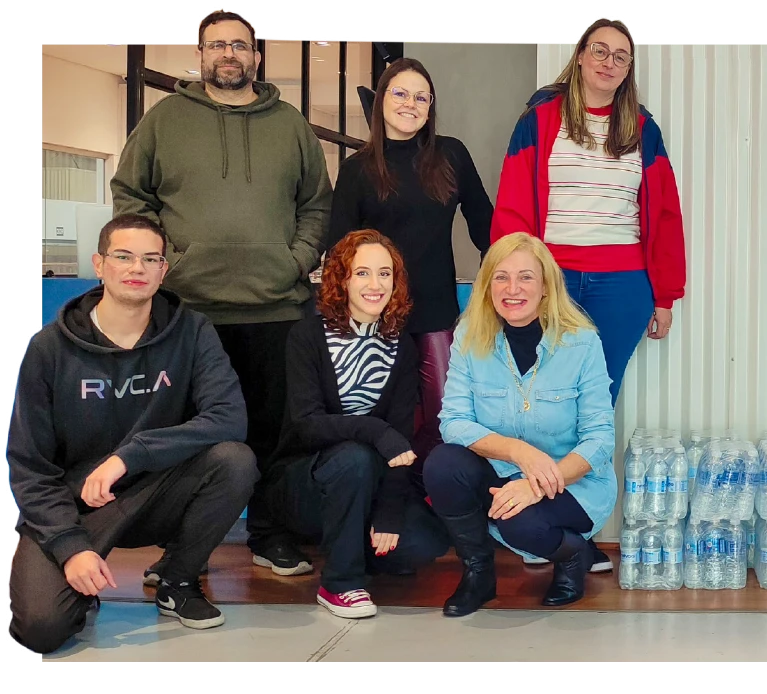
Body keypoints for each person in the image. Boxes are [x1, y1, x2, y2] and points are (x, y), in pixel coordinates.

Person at [110, 9, 334, 581]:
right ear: (200, 54)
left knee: (275, 435)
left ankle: (271, 536)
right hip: (189, 312)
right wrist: (164, 263)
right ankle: (188, 550)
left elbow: (317, 204)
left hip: (277, 308)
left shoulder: (290, 124)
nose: (228, 54)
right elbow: (131, 195)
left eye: (240, 44)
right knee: (188, 439)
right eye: (216, 45)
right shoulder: (164, 121)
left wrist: (298, 259)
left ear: (256, 56)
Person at [7, 215, 257, 654]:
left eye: (150, 259)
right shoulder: (49, 349)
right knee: (40, 631)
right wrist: (70, 547)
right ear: (99, 264)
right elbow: (28, 466)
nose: (136, 268)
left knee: (234, 460)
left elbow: (229, 417)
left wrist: (131, 454)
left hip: (159, 492)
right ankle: (80, 585)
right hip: (78, 507)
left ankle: (177, 579)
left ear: (164, 270)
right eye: (123, 256)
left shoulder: (192, 331)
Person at [491, 16, 682, 567]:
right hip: (552, 283)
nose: (608, 62)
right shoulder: (540, 119)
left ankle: (579, 529)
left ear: (628, 71)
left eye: (620, 56)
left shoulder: (642, 128)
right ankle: (536, 528)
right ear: (579, 57)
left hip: (622, 288)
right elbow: (512, 209)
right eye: (599, 51)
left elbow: (664, 214)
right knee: (545, 409)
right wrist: (512, 281)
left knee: (596, 410)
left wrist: (664, 295)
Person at [257, 230, 454, 619]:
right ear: (342, 279)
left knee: (426, 541)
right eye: (362, 273)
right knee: (355, 457)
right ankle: (340, 583)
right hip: (303, 481)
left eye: (385, 274)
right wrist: (374, 431)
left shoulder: (401, 345)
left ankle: (348, 540)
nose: (375, 284)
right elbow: (307, 425)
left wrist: (389, 513)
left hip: (366, 481)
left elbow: (400, 442)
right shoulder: (308, 336)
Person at [426, 233, 617, 615]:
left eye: (526, 277)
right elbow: (454, 422)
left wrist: (536, 484)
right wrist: (518, 452)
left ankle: (573, 555)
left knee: (520, 524)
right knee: (443, 463)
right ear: (487, 286)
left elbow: (600, 439)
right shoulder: (469, 336)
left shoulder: (582, 343)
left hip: (574, 484)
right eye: (501, 277)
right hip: (501, 473)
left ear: (546, 286)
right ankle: (478, 575)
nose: (512, 289)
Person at [328, 58, 495, 477]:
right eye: (399, 93)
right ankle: (384, 507)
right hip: (374, 319)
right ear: (381, 99)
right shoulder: (356, 170)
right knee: (381, 420)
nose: (410, 104)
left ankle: (430, 498)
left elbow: (486, 227)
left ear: (431, 106)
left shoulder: (451, 154)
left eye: (421, 97)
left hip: (436, 313)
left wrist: (499, 288)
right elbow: (340, 251)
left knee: (446, 420)